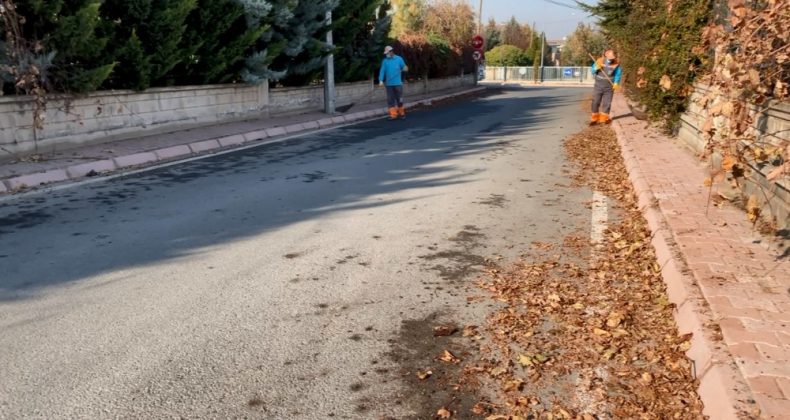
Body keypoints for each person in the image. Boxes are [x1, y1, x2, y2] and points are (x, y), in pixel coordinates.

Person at [590, 49, 622, 125]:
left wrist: (616, 83)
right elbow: (592, 71)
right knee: (595, 102)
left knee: (607, 103)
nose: (611, 59)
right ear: (606, 55)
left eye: (612, 58)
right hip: (598, 85)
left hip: (609, 87)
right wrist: (595, 68)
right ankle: (594, 118)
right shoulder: (599, 61)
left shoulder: (616, 64)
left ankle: (603, 119)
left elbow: (618, 74)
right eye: (610, 58)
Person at [379, 45, 408, 120]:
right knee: (390, 100)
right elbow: (382, 71)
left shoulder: (399, 59)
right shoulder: (385, 61)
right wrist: (381, 80)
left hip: (398, 83)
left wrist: (404, 68)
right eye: (386, 53)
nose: (386, 55)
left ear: (391, 52)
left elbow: (405, 67)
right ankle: (393, 115)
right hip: (389, 84)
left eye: (387, 53)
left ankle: (402, 113)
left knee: (399, 99)